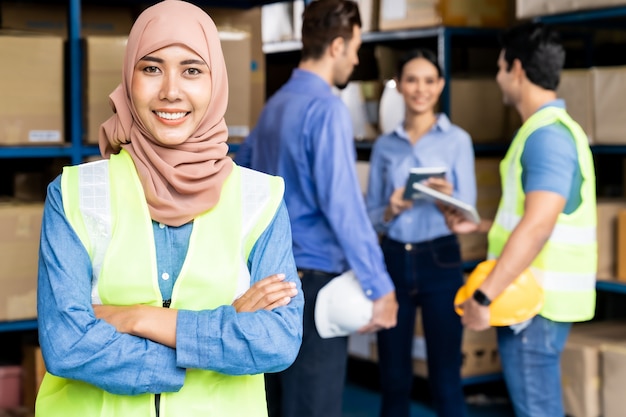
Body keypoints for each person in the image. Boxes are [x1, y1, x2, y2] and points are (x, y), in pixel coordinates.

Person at [35, 2, 304, 416]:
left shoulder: (260, 198)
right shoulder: (74, 194)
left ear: (216, 81)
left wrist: (138, 318)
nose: (171, 91)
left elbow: (277, 341)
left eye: (192, 70)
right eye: (151, 68)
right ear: (129, 78)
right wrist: (216, 337)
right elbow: (66, 345)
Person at [235, 1, 398, 416]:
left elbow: (240, 185)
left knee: (273, 403)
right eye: (356, 47)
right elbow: (343, 207)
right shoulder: (326, 109)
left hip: (266, 282)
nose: (358, 59)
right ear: (338, 46)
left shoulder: (272, 109)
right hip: (312, 288)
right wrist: (380, 286)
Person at [445, 22, 597, 417]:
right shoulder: (550, 130)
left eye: (498, 67)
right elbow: (538, 216)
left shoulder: (546, 136)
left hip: (534, 305)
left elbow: (538, 226)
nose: (497, 78)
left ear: (516, 69)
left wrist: (483, 296)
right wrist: (479, 227)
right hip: (534, 302)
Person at [365, 48, 475, 417]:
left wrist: (450, 199)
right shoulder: (385, 145)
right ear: (399, 86)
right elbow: (370, 216)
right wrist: (391, 208)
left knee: (445, 378)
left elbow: (469, 211)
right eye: (412, 80)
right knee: (394, 379)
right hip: (393, 258)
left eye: (429, 81)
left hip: (440, 257)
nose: (420, 89)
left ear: (440, 85)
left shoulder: (457, 140)